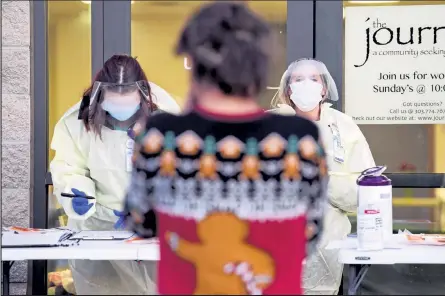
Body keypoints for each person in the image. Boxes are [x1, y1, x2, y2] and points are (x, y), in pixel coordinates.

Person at [124, 3, 329, 295]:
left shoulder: (162, 136)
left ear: (193, 62)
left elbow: (140, 221)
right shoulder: (301, 140)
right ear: (260, 65)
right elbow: (310, 235)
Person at [50, 54, 180, 295]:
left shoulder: (165, 118)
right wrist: (77, 193)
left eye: (127, 103)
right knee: (103, 288)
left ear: (142, 97)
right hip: (98, 227)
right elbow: (69, 167)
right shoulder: (77, 123)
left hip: (150, 228)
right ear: (101, 97)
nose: (121, 113)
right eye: (114, 103)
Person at [270, 58, 376, 295]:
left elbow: (365, 193)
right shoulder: (269, 124)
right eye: (298, 79)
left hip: (327, 249)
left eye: (313, 79)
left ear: (324, 88)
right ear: (288, 89)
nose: (305, 84)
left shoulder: (344, 128)